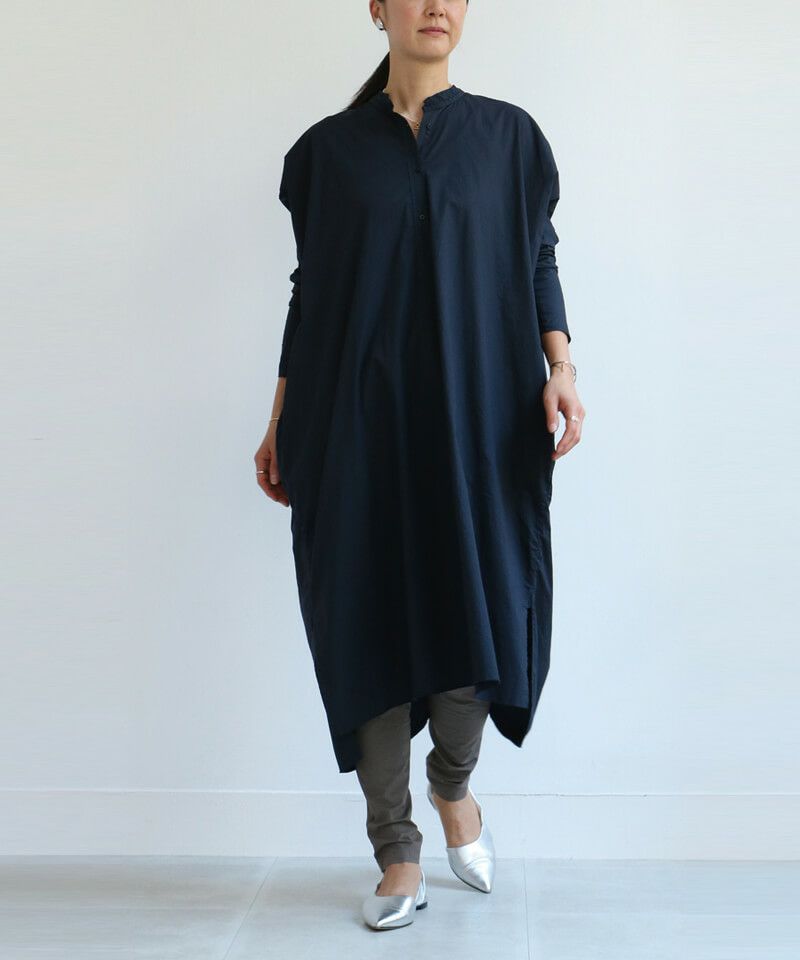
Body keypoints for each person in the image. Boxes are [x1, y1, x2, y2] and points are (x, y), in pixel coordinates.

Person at [255, 0, 585, 930]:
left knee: (478, 603)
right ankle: (395, 848)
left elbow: (538, 260)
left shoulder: (510, 140)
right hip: (351, 423)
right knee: (363, 620)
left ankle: (453, 783)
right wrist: (278, 422)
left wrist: (561, 370)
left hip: (481, 418)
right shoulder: (326, 153)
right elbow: (311, 294)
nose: (436, 4)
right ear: (377, 7)